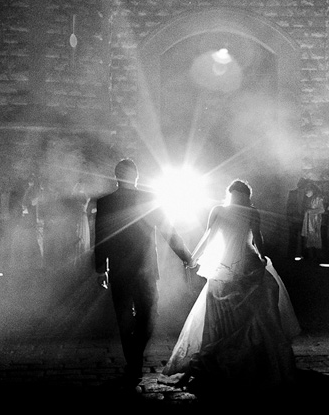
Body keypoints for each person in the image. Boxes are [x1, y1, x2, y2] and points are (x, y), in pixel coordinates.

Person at [161, 179, 299, 396]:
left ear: (230, 194)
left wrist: (193, 259)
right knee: (257, 310)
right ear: (246, 196)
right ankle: (258, 357)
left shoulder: (218, 210)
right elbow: (258, 239)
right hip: (248, 262)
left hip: (224, 265)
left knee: (221, 313)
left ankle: (222, 353)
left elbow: (208, 237)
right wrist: (262, 258)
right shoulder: (252, 212)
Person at [93, 158, 193, 389]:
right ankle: (135, 360)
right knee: (148, 314)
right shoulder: (147, 198)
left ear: (117, 176)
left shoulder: (107, 202)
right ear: (135, 176)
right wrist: (186, 256)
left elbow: (101, 236)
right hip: (143, 268)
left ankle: (134, 358)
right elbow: (168, 230)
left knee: (129, 318)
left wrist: (101, 269)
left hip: (123, 268)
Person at [301, 183, 325, 261]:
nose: (306, 192)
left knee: (314, 237)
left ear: (312, 190)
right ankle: (309, 256)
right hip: (308, 221)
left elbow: (322, 209)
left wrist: (310, 211)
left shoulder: (318, 198)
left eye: (308, 190)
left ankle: (315, 256)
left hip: (314, 221)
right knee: (308, 237)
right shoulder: (308, 199)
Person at [285, 178, 308, 259]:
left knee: (303, 239)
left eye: (302, 183)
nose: (300, 184)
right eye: (300, 183)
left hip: (303, 219)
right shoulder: (292, 193)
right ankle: (291, 256)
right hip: (294, 219)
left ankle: (304, 256)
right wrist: (289, 218)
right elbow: (288, 206)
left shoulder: (307, 194)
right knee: (293, 238)